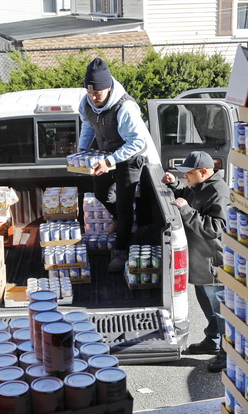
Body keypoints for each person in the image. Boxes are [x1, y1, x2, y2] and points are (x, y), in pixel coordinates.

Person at [78, 57, 160, 272]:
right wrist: (82, 149)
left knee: (125, 204)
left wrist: (110, 161)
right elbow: (88, 125)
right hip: (106, 153)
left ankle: (121, 250)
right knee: (100, 193)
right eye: (90, 93)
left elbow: (137, 142)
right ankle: (120, 219)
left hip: (131, 156)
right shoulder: (86, 102)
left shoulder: (126, 108)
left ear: (109, 87)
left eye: (98, 93)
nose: (94, 98)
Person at [161, 151, 229, 372]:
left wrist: (186, 210)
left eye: (188, 174)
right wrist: (175, 186)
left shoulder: (219, 192)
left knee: (221, 311)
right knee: (207, 306)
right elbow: (190, 197)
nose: (186, 177)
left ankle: (227, 353)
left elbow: (217, 228)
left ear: (204, 171)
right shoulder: (201, 186)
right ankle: (212, 341)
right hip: (201, 262)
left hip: (213, 263)